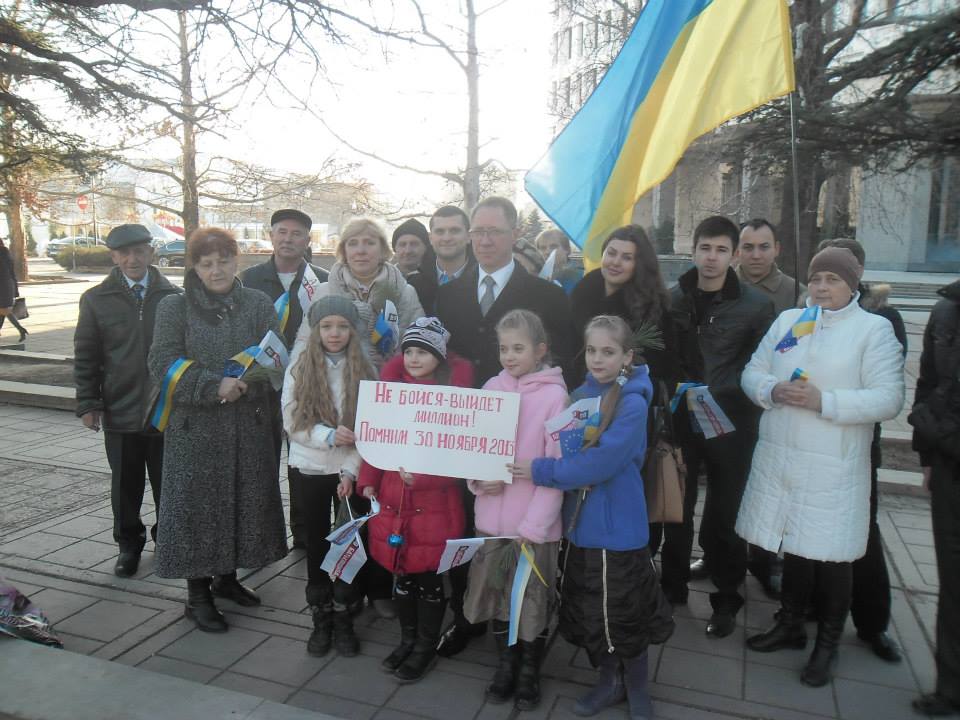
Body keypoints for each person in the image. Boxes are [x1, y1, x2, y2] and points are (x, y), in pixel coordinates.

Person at [737, 247, 905, 687]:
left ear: (852, 284)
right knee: (794, 544)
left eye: (833, 279)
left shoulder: (873, 330)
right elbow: (752, 371)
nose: (822, 287)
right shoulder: (790, 322)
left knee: (832, 556)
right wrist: (771, 390)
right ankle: (790, 623)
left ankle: (827, 644)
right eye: (816, 279)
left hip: (835, 463)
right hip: (784, 456)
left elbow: (888, 398)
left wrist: (825, 402)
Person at [511, 315, 674, 720]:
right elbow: (562, 447)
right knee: (593, 612)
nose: (598, 359)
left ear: (627, 356)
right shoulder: (581, 394)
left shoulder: (633, 402)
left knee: (624, 612)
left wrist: (542, 470)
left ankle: (637, 686)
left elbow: (602, 462)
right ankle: (608, 679)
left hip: (617, 529)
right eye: (591, 350)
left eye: (608, 351)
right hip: (581, 527)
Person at [435, 195, 575, 657]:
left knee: (520, 546)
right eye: (477, 231)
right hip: (465, 433)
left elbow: (565, 359)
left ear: (515, 235)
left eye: (494, 231)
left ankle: (522, 633)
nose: (484, 240)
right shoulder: (448, 293)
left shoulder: (546, 295)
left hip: (527, 437)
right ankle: (468, 615)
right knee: (467, 525)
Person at [148, 227, 287, 632]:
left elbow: (276, 357)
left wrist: (250, 383)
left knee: (242, 504)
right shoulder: (174, 307)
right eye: (206, 263)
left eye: (223, 261)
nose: (216, 270)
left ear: (236, 260)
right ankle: (197, 596)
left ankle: (226, 579)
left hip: (248, 426)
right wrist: (212, 386)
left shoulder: (258, 303)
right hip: (195, 430)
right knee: (197, 510)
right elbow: (162, 362)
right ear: (193, 266)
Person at [657, 215, 775, 637]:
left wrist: (714, 390)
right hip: (681, 421)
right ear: (693, 251)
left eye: (722, 250)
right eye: (705, 248)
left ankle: (727, 597)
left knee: (726, 513)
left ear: (734, 254)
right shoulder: (672, 299)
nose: (712, 257)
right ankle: (671, 587)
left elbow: (760, 364)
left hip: (731, 422)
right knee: (677, 507)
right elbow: (661, 355)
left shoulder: (756, 305)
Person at [357, 317, 473, 683]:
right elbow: (377, 442)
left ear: (439, 357)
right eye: (408, 351)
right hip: (394, 501)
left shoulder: (452, 399)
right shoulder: (392, 393)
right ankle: (407, 639)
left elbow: (457, 459)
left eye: (423, 351)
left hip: (434, 507)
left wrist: (423, 479)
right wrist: (368, 480)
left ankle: (424, 646)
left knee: (430, 582)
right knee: (403, 577)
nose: (414, 358)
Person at [464, 309, 566, 711]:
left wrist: (534, 526)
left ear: (540, 350)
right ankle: (505, 665)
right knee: (498, 595)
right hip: (493, 522)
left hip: (532, 526)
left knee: (531, 599)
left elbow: (556, 468)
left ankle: (529, 669)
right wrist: (478, 479)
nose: (509, 356)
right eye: (503, 348)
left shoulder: (555, 398)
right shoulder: (491, 387)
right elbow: (474, 448)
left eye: (518, 348)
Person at [818, 237, 908, 663]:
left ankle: (873, 623)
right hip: (813, 441)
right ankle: (816, 610)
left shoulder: (882, 319)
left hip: (856, 444)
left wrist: (832, 396)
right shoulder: (809, 315)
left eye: (842, 269)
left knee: (862, 536)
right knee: (815, 532)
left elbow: (885, 388)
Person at [74, 224, 180, 577]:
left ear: (151, 252)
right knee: (125, 484)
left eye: (139, 251)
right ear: (114, 256)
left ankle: (167, 538)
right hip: (120, 407)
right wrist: (89, 403)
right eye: (124, 253)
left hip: (164, 409)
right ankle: (128, 544)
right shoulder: (96, 299)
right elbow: (86, 354)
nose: (132, 259)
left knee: (168, 481)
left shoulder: (173, 296)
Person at [281, 295, 377, 657]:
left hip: (347, 473)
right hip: (310, 468)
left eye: (342, 326)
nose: (334, 333)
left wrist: (350, 470)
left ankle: (344, 612)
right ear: (315, 330)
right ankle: (321, 616)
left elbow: (369, 430)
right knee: (318, 544)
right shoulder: (300, 367)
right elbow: (292, 420)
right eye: (326, 326)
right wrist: (328, 435)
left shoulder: (365, 371)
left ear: (352, 330)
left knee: (349, 546)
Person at [240, 208, 329, 550]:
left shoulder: (322, 281)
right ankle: (261, 535)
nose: (288, 239)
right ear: (271, 236)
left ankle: (304, 532)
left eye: (296, 234)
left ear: (307, 240)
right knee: (259, 463)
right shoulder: (248, 280)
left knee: (302, 460)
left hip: (306, 387)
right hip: (260, 386)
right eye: (282, 232)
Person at [909, 277, 960, 717]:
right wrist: (926, 453)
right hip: (949, 462)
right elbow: (927, 383)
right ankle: (950, 686)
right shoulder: (946, 311)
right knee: (953, 581)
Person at [293, 217, 424, 368]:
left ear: (382, 249)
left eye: (369, 243)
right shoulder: (324, 292)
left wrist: (392, 364)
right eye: (353, 243)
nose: (361, 251)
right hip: (335, 378)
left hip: (388, 380)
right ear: (344, 250)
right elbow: (304, 344)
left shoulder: (405, 293)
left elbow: (420, 345)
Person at [570, 224, 678, 387]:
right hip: (577, 389)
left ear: (639, 264)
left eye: (626, 258)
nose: (615, 262)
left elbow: (661, 367)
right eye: (611, 253)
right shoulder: (584, 289)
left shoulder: (653, 307)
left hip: (627, 393)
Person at [408, 205, 475, 314]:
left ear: (468, 236)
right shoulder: (414, 285)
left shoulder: (484, 282)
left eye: (454, 231)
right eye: (440, 231)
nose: (446, 238)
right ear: (430, 238)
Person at [736, 219, 805, 314]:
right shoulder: (720, 287)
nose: (756, 256)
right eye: (748, 247)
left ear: (776, 249)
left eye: (764, 247)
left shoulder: (798, 294)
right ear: (737, 251)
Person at [536, 228, 583, 295]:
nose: (547, 252)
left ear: (567, 249)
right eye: (543, 248)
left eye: (553, 247)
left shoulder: (578, 275)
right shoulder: (538, 276)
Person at [0, 238, 27, 342]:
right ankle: (21, 330)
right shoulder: (6, 253)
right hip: (8, 285)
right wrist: (15, 289)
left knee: (4, 311)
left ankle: (21, 329)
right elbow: (12, 272)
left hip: (2, 286)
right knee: (3, 311)